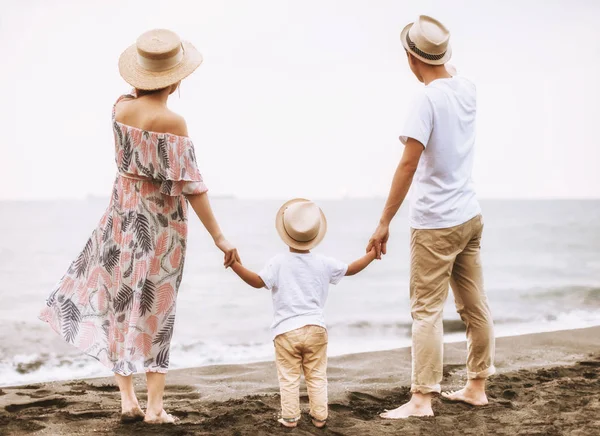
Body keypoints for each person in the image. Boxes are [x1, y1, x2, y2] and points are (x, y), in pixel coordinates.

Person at [39, 29, 239, 424]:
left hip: (120, 218)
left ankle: (127, 399)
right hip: (159, 228)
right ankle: (154, 408)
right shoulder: (173, 121)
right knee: (156, 309)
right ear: (177, 78)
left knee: (117, 302)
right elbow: (191, 186)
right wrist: (219, 236)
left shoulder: (119, 108)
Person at [366, 16, 495, 419]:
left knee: (426, 311)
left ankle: (422, 398)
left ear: (410, 58)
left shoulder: (425, 101)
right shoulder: (466, 89)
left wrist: (384, 221)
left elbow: (407, 165)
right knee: (475, 306)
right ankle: (476, 386)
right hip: (469, 215)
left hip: (436, 222)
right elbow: (449, 73)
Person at [229, 199, 377, 428]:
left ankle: (290, 418)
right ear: (315, 235)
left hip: (286, 331)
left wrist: (235, 265)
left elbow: (257, 282)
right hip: (316, 328)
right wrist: (372, 254)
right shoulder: (323, 262)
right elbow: (351, 269)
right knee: (316, 375)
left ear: (285, 233)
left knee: (288, 377)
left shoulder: (278, 262)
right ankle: (319, 417)